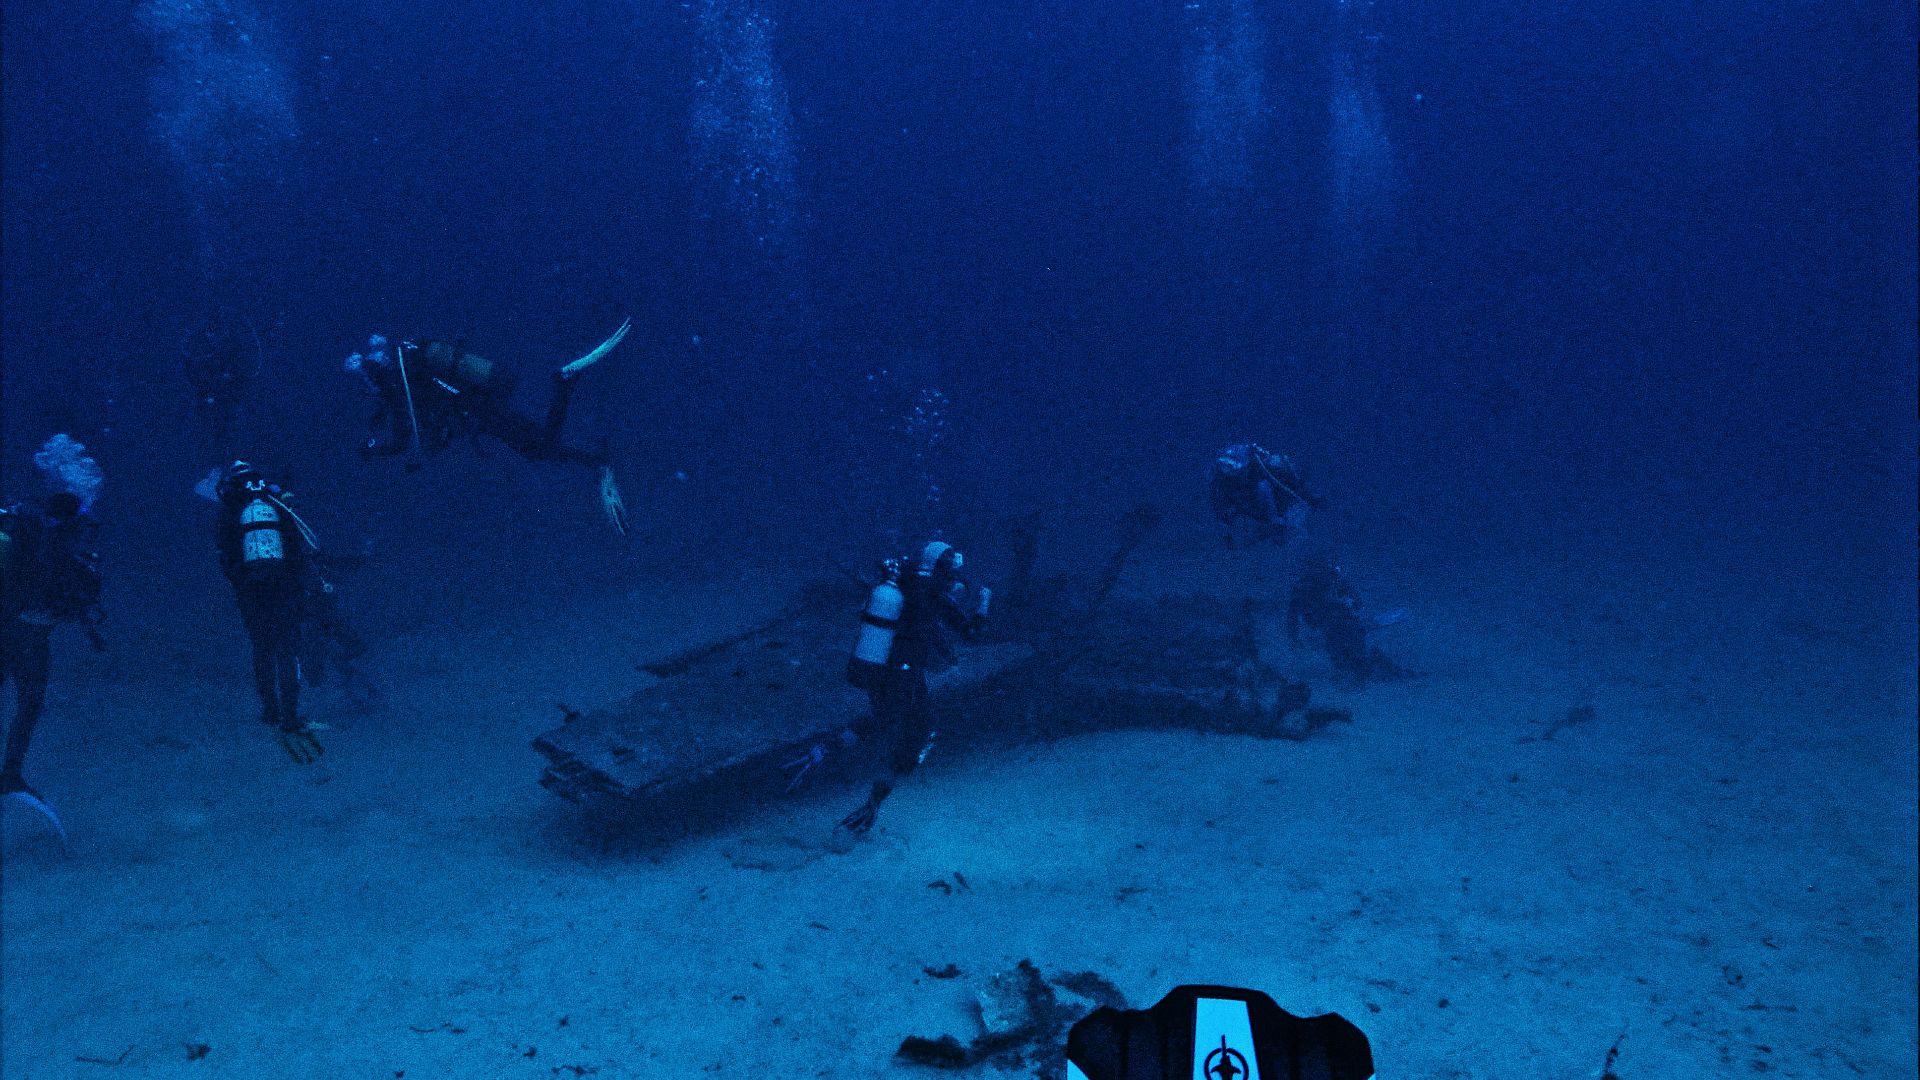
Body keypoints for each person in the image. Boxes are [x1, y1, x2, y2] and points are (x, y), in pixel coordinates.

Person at [344, 319, 632, 533]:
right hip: (479, 406)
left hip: (478, 409)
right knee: (537, 447)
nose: (368, 387)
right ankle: (594, 456)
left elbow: (403, 438)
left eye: (366, 381)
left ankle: (566, 387)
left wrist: (375, 450)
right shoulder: (406, 376)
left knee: (539, 447)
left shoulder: (398, 386)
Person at [826, 541, 988, 834]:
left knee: (892, 723)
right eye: (953, 568)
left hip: (884, 669)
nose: (955, 575)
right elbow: (971, 633)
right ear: (943, 567)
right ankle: (834, 762)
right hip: (904, 674)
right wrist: (984, 603)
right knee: (914, 733)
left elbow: (922, 627)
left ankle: (851, 778)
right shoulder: (932, 593)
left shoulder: (909, 586)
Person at [1, 490, 104, 838]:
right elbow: (79, 599)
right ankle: (11, 774)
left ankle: (11, 775)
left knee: (27, 703)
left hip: (7, 630)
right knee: (29, 704)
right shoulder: (61, 546)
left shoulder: (24, 535)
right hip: (30, 638)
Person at [213, 461, 324, 763]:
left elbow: (227, 556)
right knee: (287, 651)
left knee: (262, 649)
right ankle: (290, 714)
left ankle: (270, 710)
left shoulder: (232, 511)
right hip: (284, 590)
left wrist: (244, 586)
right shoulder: (278, 507)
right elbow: (299, 550)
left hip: (252, 593)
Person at [1285, 553, 1408, 689]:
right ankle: (1359, 666)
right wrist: (1294, 637)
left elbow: (1357, 602)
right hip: (1329, 625)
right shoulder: (1305, 587)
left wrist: (1348, 603)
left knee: (1351, 654)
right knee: (1344, 656)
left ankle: (1363, 666)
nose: (1317, 575)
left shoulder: (1332, 580)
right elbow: (1293, 614)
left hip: (1342, 623)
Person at [1209, 442, 1326, 549]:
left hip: (1282, 510)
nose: (1227, 470)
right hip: (1257, 517)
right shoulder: (1222, 483)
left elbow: (1290, 489)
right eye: (1223, 466)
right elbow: (1220, 507)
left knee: (1293, 536)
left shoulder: (1264, 475)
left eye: (1230, 466)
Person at [181, 311, 262, 462]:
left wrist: (231, 376)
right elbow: (192, 368)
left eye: (217, 333)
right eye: (211, 334)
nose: (213, 338)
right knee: (212, 430)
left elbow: (250, 369)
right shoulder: (198, 348)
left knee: (231, 428)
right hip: (211, 395)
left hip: (231, 393)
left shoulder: (237, 347)